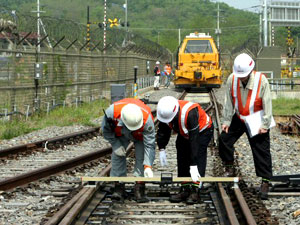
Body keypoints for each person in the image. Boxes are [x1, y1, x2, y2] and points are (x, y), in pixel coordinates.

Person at [219, 53, 273, 200]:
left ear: (250, 71)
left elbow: (267, 103)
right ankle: (229, 168)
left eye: (244, 75)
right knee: (224, 139)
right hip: (239, 117)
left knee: (261, 150)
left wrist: (265, 124)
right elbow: (229, 101)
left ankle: (265, 182)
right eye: (239, 75)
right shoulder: (232, 79)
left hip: (256, 118)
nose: (241, 78)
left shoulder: (262, 81)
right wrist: (226, 121)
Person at [156, 96, 213, 204]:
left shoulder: (190, 113)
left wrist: (193, 164)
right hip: (185, 133)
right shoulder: (165, 112)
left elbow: (194, 140)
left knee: (198, 155)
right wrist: (161, 147)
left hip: (202, 132)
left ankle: (196, 190)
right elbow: (163, 130)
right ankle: (185, 188)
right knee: (181, 153)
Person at [101, 98, 156, 202]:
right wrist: (116, 145)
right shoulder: (111, 113)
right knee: (118, 156)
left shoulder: (147, 119)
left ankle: (139, 188)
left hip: (140, 136)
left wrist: (148, 166)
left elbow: (149, 144)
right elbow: (106, 131)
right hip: (121, 133)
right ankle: (119, 187)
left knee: (142, 157)